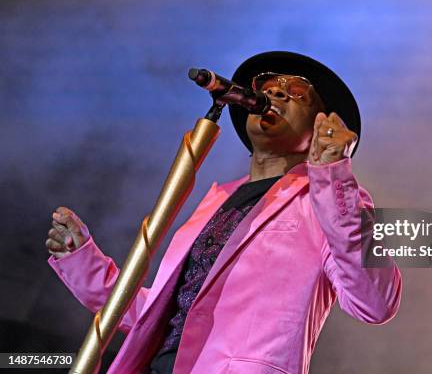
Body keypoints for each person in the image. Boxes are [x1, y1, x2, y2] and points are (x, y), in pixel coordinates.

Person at [45, 51, 402, 374]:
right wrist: (84, 263)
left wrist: (332, 174)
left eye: (296, 92)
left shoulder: (329, 201)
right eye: (267, 86)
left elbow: (375, 302)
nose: (276, 93)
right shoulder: (216, 200)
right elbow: (156, 315)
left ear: (321, 127)